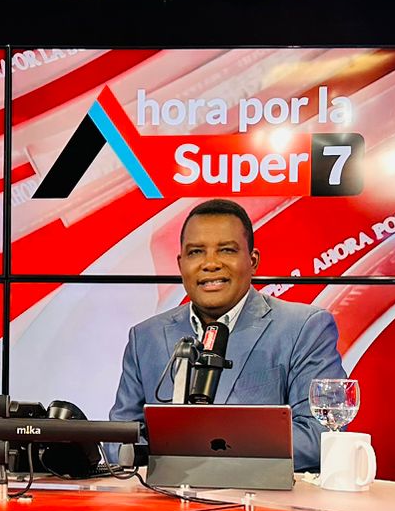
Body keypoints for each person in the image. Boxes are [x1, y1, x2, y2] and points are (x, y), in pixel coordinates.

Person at [109, 198, 347, 472]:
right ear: (181, 263)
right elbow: (119, 441)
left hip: (259, 496)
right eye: (196, 252)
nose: (210, 263)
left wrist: (207, 451)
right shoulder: (145, 337)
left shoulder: (304, 327)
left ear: (253, 261)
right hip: (163, 496)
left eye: (226, 250)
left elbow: (320, 435)